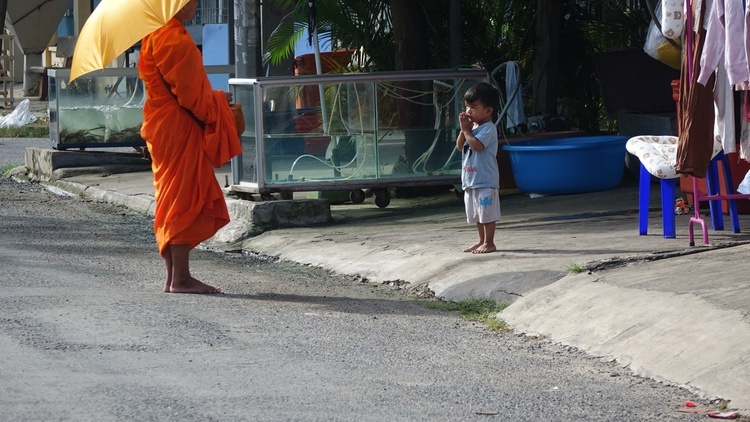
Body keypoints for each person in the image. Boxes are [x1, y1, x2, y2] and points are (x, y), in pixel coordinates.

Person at [138, 0, 242, 293]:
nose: (195, 4)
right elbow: (192, 98)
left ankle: (174, 277)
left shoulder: (154, 35)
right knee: (182, 197)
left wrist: (213, 98)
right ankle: (181, 279)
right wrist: (219, 105)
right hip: (178, 127)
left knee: (170, 196)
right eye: (189, 0)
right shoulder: (174, 40)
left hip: (163, 126)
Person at [456, 82, 501, 254]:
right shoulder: (472, 128)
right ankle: (481, 240)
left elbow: (477, 146)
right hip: (471, 180)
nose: (468, 111)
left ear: (488, 111)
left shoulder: (488, 128)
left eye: (473, 107)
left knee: (487, 213)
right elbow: (460, 146)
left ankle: (489, 242)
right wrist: (463, 130)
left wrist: (467, 132)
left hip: (485, 180)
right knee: (477, 214)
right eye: (467, 107)